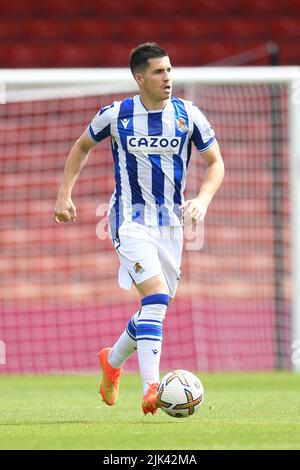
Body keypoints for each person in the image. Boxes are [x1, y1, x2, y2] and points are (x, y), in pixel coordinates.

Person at [53, 42, 225, 416]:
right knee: (157, 299)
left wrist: (204, 199)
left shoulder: (188, 116)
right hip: (128, 219)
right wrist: (64, 195)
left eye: (170, 70)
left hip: (171, 225)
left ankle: (112, 363)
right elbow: (82, 146)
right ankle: (152, 388)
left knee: (154, 309)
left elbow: (215, 164)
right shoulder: (116, 115)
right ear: (140, 78)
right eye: (159, 72)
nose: (168, 78)